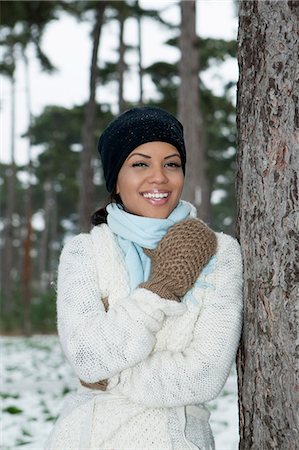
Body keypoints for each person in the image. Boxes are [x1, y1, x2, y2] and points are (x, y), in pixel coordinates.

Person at [45, 106, 243, 450]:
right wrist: (160, 290)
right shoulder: (85, 252)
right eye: (140, 164)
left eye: (171, 163)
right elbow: (87, 358)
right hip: (88, 437)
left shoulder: (219, 252)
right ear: (115, 178)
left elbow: (206, 375)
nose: (159, 177)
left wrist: (113, 374)